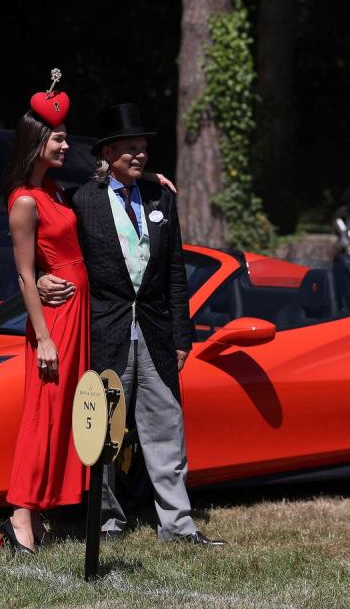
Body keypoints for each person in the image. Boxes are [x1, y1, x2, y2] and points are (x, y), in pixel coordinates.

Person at [39, 103, 225, 547]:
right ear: (107, 154)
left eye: (142, 149)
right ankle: (105, 518)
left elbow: (176, 273)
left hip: (158, 333)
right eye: (129, 150)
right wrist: (40, 277)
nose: (138, 156)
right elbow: (53, 246)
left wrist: (182, 335)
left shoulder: (162, 196)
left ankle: (177, 525)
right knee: (104, 429)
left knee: (165, 427)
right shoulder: (82, 201)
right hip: (107, 329)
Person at [0, 72, 89, 555]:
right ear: (36, 142)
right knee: (44, 414)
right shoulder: (26, 201)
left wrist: (151, 177)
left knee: (65, 413)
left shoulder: (52, 189)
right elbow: (25, 276)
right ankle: (19, 518)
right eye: (59, 137)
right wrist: (44, 337)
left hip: (77, 312)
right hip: (56, 322)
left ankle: (41, 507)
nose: (66, 143)